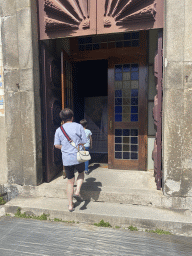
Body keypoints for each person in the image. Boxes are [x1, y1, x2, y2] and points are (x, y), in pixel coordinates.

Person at [54, 108, 87, 212]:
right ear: (72, 117)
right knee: (81, 173)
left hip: (67, 158)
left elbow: (56, 145)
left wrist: (64, 148)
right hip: (78, 156)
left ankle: (70, 205)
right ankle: (77, 191)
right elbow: (84, 141)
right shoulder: (79, 126)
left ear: (62, 119)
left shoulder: (59, 130)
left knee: (69, 181)